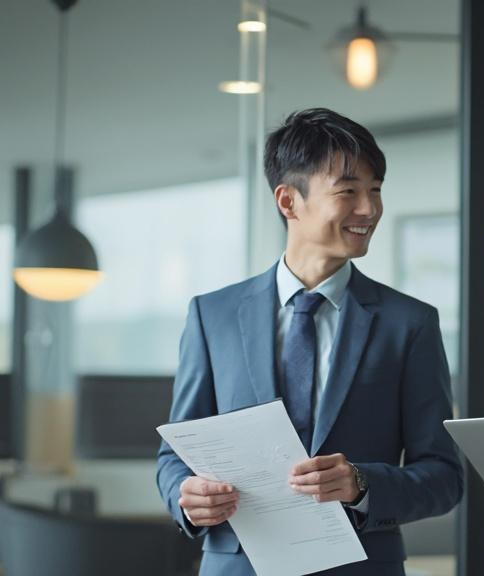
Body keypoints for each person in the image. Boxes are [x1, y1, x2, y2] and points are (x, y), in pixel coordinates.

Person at [156, 108, 463, 576]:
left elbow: (443, 477)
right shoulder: (212, 315)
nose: (370, 209)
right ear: (288, 202)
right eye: (349, 192)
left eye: (375, 190)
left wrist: (361, 484)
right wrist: (185, 495)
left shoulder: (410, 323)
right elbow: (174, 456)